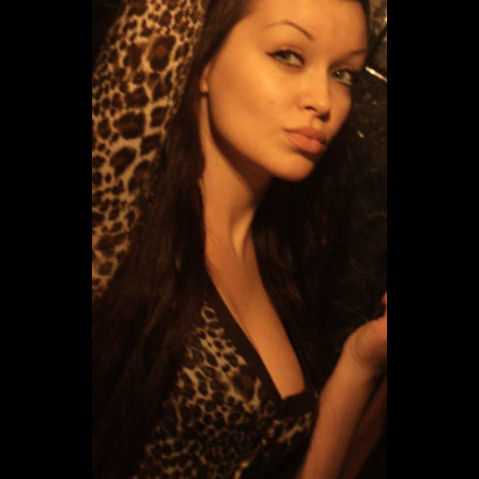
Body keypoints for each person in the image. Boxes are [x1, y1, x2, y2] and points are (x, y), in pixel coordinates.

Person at [92, 0, 387, 478]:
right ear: (205, 60)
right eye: (289, 55)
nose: (324, 100)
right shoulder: (117, 220)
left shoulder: (282, 267)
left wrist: (362, 359)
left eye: (343, 73)